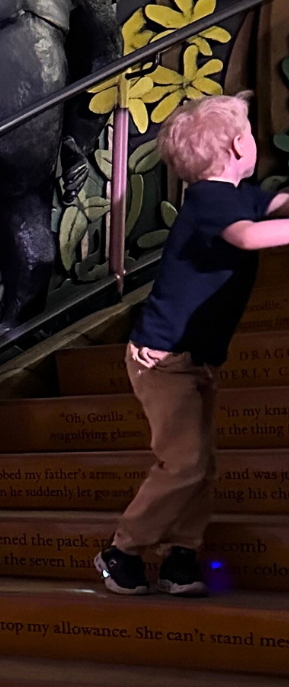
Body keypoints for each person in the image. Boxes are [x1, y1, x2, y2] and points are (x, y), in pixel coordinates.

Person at [96, 94, 289, 597]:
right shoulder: (209, 201)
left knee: (202, 464)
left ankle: (181, 554)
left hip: (196, 359)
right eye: (251, 134)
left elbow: (277, 205)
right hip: (163, 361)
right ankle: (122, 550)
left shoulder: (239, 195)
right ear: (239, 146)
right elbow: (248, 238)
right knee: (184, 462)